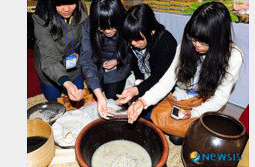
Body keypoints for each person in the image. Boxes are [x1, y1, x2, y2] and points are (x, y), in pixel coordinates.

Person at [126, 2, 244, 145]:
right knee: (151, 118)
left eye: (203, 41)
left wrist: (194, 113)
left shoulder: (233, 57)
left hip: (205, 100)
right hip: (182, 95)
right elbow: (166, 82)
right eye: (193, 38)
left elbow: (219, 99)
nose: (196, 45)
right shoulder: (186, 45)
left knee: (179, 138)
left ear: (219, 38)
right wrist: (143, 101)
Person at [115, 3, 177, 120]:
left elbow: (161, 78)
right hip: (145, 80)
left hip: (162, 85)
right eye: (130, 39)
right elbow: (135, 63)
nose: (133, 43)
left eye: (137, 39)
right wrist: (138, 82)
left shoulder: (166, 43)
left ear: (151, 31)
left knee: (149, 118)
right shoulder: (134, 39)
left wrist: (138, 89)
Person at [80, 0, 131, 119]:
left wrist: (118, 60)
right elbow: (87, 58)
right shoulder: (89, 24)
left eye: (113, 26)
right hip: (98, 63)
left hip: (119, 64)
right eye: (102, 28)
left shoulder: (128, 20)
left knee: (112, 96)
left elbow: (134, 51)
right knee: (96, 89)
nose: (108, 31)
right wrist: (99, 96)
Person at [33, 0, 88, 102]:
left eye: (71, 3)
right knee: (54, 99)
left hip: (73, 61)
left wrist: (78, 50)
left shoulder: (81, 7)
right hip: (50, 60)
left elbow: (84, 36)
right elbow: (48, 57)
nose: (66, 9)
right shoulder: (41, 17)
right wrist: (66, 82)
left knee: (79, 93)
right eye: (59, 4)